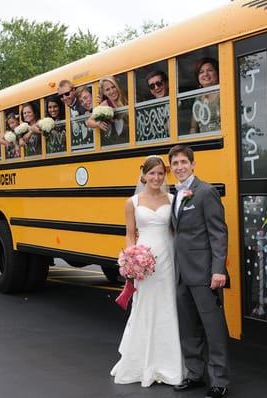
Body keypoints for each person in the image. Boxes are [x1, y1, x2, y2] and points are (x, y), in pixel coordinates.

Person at [111, 155, 184, 387]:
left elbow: (175, 232)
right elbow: (131, 234)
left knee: (168, 305)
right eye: (151, 173)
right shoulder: (132, 202)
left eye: (160, 173)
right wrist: (129, 261)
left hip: (168, 259)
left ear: (165, 176)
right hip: (144, 264)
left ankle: (170, 364)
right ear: (143, 175)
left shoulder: (173, 199)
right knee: (144, 306)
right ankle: (141, 362)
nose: (156, 177)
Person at [169, 144, 229, 398]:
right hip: (181, 273)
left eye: (184, 162)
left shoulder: (206, 192)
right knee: (188, 328)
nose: (180, 167)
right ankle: (195, 374)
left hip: (205, 274)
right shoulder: (175, 195)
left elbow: (218, 233)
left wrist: (218, 270)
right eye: (175, 164)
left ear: (193, 164)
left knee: (213, 329)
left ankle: (219, 381)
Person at [87, 76, 129, 146]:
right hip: (120, 141)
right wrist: (97, 124)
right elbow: (89, 122)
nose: (112, 91)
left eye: (113, 87)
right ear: (104, 93)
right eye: (107, 89)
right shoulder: (105, 104)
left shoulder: (126, 97)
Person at [189, 58, 221, 134]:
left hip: (220, 140)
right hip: (204, 142)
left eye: (210, 70)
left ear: (218, 73)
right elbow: (193, 127)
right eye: (201, 72)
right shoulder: (199, 97)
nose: (205, 74)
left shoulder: (222, 93)